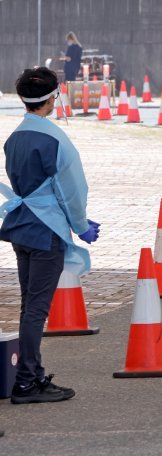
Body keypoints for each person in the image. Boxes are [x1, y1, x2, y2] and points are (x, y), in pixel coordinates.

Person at [0, 67, 100, 404]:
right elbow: (71, 190)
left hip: (21, 225)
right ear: (52, 98)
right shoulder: (56, 139)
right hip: (48, 229)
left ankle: (31, 376)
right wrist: (81, 223)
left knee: (30, 303)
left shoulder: (14, 138)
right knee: (36, 309)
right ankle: (27, 381)